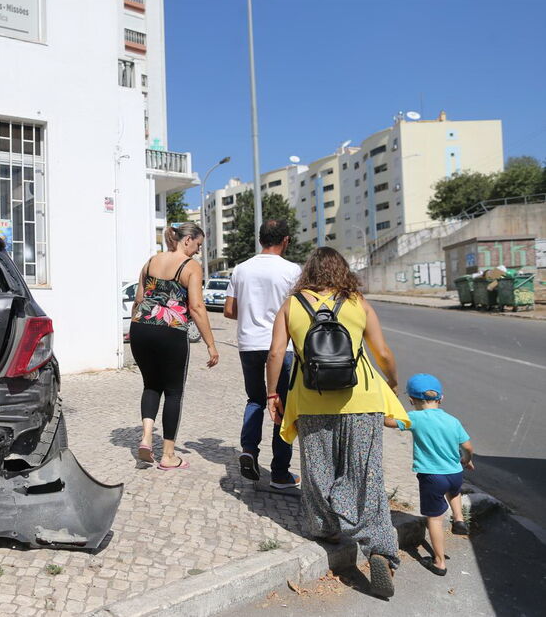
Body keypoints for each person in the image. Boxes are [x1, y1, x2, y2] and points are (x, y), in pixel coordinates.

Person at [265, 247, 411, 599]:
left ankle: (326, 528)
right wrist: (390, 382)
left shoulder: (292, 305)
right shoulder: (358, 302)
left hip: (310, 397)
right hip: (360, 397)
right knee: (367, 473)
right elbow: (384, 353)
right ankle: (378, 546)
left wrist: (273, 394)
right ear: (343, 272)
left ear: (308, 273)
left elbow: (274, 353)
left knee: (317, 469)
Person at [130, 223, 219, 470]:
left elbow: (139, 299)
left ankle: (147, 437)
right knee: (173, 391)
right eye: (198, 245)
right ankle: (168, 456)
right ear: (188, 239)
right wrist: (211, 344)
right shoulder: (191, 267)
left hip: (140, 328)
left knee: (150, 385)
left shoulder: (151, 261)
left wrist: (140, 324)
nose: (198, 251)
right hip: (170, 330)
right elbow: (197, 308)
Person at [224, 219, 301, 489]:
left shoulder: (241, 270)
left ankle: (248, 450)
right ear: (286, 240)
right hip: (282, 348)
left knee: (255, 399)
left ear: (260, 239)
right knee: (282, 405)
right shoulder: (293, 271)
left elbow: (229, 311)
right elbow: (300, 311)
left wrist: (251, 314)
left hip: (248, 344)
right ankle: (280, 472)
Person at [385, 373, 473, 577]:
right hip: (455, 473)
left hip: (432, 477)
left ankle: (439, 562)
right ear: (441, 398)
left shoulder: (413, 418)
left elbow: (389, 422)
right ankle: (459, 519)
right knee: (455, 491)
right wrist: (467, 459)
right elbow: (468, 446)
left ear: (411, 400)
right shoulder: (453, 420)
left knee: (434, 519)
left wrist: (384, 410)